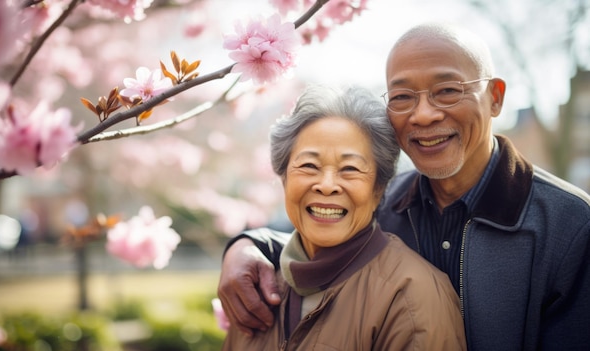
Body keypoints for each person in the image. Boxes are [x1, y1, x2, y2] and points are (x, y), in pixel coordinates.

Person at [217, 22, 590, 351]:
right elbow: (320, 236)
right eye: (402, 97)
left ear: (495, 97)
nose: (424, 114)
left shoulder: (568, 226)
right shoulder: (389, 198)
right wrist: (245, 246)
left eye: (447, 90)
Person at [222, 84, 466, 350]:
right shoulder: (253, 286)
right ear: (283, 177)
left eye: (350, 168)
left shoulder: (412, 298)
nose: (327, 185)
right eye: (309, 166)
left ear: (378, 189)